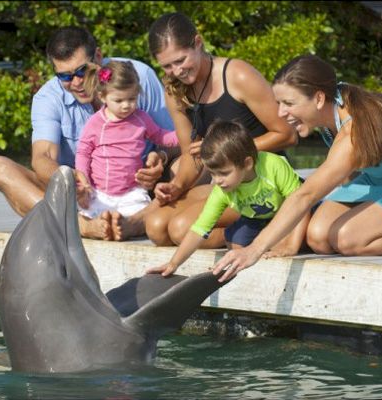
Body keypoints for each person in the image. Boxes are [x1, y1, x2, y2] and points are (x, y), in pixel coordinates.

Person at [213, 54, 382, 282]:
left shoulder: (353, 131)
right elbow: (345, 175)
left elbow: (306, 194)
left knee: (347, 239)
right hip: (380, 181)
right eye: (279, 103)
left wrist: (254, 249)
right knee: (318, 237)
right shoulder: (335, 104)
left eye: (289, 103)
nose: (281, 112)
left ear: (319, 98)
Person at [0, 26, 174, 240]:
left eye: (82, 71)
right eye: (65, 76)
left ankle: (133, 222)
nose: (76, 82)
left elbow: (171, 139)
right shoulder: (48, 98)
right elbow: (42, 158)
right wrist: (72, 182)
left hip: (139, 189)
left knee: (189, 163)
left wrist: (161, 158)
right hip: (84, 197)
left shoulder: (138, 77)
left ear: (99, 56)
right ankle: (82, 226)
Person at [144, 12, 298, 248]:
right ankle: (249, 229)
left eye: (181, 60)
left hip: (260, 180)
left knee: (181, 229)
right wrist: (176, 186)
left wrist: (224, 150)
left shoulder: (237, 75)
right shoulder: (175, 90)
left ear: (198, 42)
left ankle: (265, 229)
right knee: (155, 227)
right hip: (225, 183)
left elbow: (288, 134)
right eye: (167, 66)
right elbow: (191, 155)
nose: (176, 71)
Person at [146, 120, 309, 276]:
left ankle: (287, 239)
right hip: (256, 218)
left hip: (288, 211)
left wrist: (291, 246)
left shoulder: (272, 166)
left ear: (247, 164)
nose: (217, 180)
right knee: (237, 245)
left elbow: (301, 203)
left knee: (299, 237)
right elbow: (199, 229)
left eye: (224, 173)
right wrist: (173, 263)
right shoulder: (221, 190)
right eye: (213, 174)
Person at [74, 60, 179, 239]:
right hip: (100, 192)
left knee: (142, 214)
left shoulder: (141, 118)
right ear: (102, 96)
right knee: (86, 212)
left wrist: (184, 135)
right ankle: (103, 225)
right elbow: (83, 152)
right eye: (119, 100)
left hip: (131, 191)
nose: (126, 105)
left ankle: (119, 224)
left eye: (132, 99)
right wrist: (83, 180)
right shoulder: (96, 123)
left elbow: (161, 136)